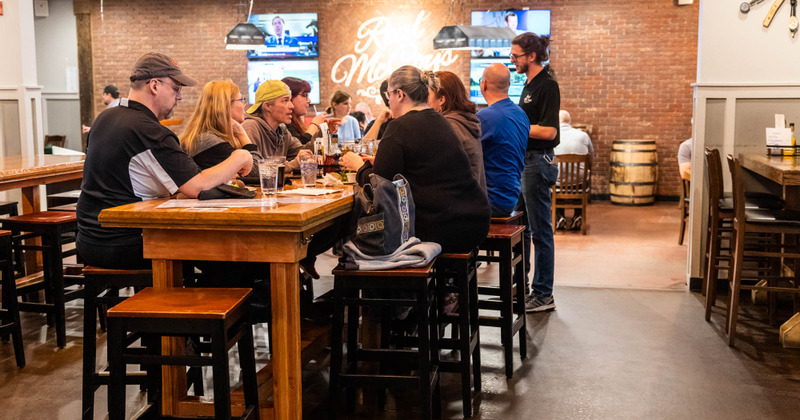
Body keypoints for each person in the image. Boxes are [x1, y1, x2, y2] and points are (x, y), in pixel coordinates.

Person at [76, 52, 252, 269]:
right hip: (126, 243)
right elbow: (197, 186)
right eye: (176, 88)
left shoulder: (105, 118)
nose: (179, 97)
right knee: (231, 250)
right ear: (155, 85)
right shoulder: (149, 130)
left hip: (89, 239)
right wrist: (241, 155)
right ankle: (213, 300)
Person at [340, 65, 490, 253]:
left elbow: (380, 188)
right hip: (474, 221)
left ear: (400, 94)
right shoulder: (441, 120)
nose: (389, 102)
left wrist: (358, 166)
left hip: (440, 226)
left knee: (352, 234)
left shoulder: (399, 126)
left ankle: (362, 274)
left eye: (389, 96)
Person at [511, 32, 560, 313]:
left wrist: (515, 126)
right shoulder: (529, 84)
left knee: (540, 231)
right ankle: (523, 290)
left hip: (538, 162)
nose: (512, 60)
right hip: (525, 161)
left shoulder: (548, 85)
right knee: (524, 229)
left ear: (531, 56)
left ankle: (543, 294)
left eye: (515, 55)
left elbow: (550, 130)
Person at [476, 63, 529, 217]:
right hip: (513, 196)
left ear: (483, 84)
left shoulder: (484, 117)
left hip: (492, 200)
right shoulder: (521, 115)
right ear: (509, 85)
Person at [178, 80, 261, 176]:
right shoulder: (209, 141)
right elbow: (257, 171)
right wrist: (242, 135)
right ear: (225, 106)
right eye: (241, 100)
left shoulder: (211, 137)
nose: (244, 104)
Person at [428, 70, 486, 192]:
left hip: (464, 205)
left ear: (441, 100)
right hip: (476, 202)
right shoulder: (464, 120)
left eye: (427, 95)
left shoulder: (448, 126)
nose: (424, 101)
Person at [242, 80, 311, 172]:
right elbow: (253, 170)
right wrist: (292, 165)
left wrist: (321, 129)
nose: (291, 106)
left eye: (290, 100)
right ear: (267, 106)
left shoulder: (281, 129)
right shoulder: (251, 127)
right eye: (285, 100)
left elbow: (303, 152)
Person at [553, 109, 594, 231]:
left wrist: (557, 162)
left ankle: (559, 217)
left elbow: (550, 159)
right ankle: (578, 215)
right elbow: (590, 158)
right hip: (579, 185)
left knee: (554, 175)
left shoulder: (553, 135)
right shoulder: (583, 135)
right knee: (581, 177)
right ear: (570, 121)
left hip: (558, 185)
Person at [281, 77, 331, 145]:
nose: (309, 101)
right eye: (304, 95)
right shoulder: (283, 124)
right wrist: (315, 125)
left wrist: (324, 129)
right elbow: (299, 148)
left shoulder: (296, 123)